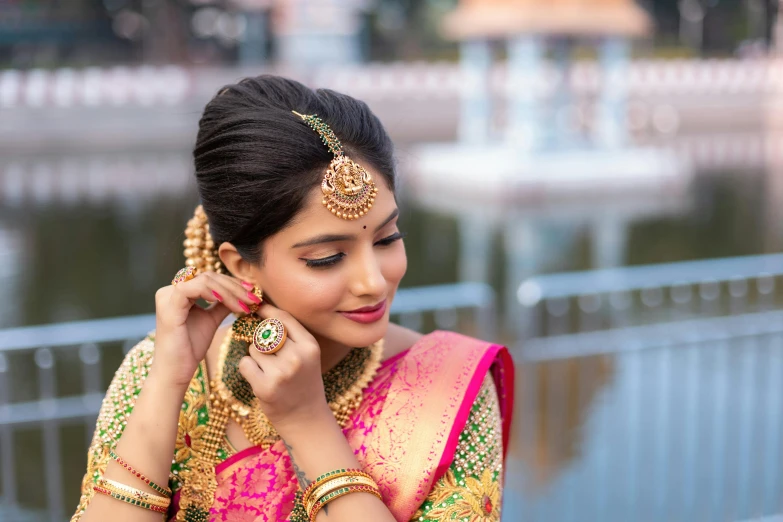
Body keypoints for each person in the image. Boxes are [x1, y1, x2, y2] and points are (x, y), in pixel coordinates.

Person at [70, 74, 514, 522]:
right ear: (241, 265)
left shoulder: (451, 390)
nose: (374, 282)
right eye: (326, 258)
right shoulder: (158, 368)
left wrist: (308, 424)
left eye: (387, 238)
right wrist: (169, 382)